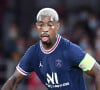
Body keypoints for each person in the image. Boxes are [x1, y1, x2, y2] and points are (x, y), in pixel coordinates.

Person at [1, 8, 100, 90]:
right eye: (41, 25)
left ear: (57, 26)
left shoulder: (70, 50)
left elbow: (97, 70)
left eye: (49, 25)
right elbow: (14, 79)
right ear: (36, 27)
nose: (45, 29)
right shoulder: (33, 53)